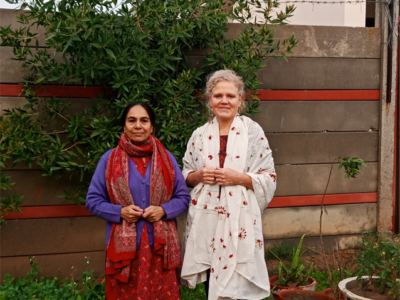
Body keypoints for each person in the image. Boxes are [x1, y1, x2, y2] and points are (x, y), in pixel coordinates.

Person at [180, 70, 277, 300]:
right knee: (210, 283)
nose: (224, 101)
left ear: (240, 100)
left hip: (239, 221)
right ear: (209, 100)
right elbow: (185, 175)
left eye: (231, 96)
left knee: (239, 280)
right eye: (218, 95)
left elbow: (269, 177)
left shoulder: (253, 133)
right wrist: (200, 175)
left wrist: (239, 178)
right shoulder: (199, 135)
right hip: (207, 221)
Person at [86, 102, 191, 300]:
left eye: (144, 120)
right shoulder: (109, 160)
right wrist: (119, 212)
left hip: (160, 249)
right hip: (125, 251)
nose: (138, 125)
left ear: (152, 126)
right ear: (124, 125)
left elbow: (183, 198)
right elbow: (93, 200)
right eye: (131, 120)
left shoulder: (166, 159)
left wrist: (163, 210)